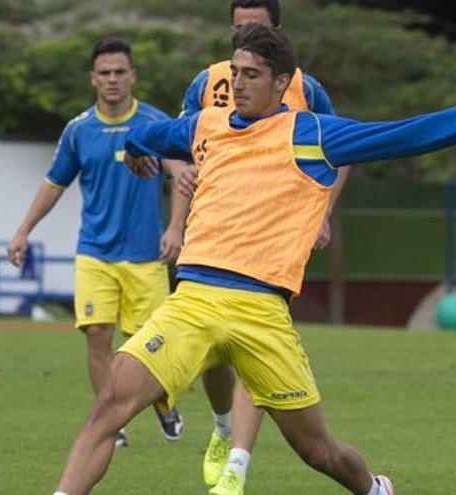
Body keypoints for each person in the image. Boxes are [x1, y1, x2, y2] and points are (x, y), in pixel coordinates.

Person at [49, 23, 456, 495]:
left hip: (262, 313)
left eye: (252, 75)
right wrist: (138, 152)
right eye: (235, 72)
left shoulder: (313, 134)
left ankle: (374, 490)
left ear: (282, 82)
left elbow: (407, 134)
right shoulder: (205, 125)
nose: (239, 83)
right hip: (194, 302)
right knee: (109, 407)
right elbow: (147, 134)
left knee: (319, 452)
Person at [180, 2, 350, 491]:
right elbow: (182, 141)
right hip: (215, 235)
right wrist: (180, 169)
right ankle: (221, 426)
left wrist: (321, 211)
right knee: (212, 358)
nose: (245, 34)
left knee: (255, 343)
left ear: (277, 32)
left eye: (255, 28)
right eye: (237, 28)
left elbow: (341, 152)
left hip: (274, 235)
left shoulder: (304, 88)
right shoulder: (206, 82)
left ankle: (237, 465)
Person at [7, 38, 191, 447]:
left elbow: (182, 173)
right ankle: (113, 420)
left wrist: (176, 226)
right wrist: (23, 231)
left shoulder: (153, 123)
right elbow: (54, 184)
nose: (112, 79)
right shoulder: (78, 130)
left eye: (119, 72)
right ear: (93, 79)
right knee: (95, 334)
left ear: (132, 76)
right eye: (104, 73)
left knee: (150, 344)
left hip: (145, 256)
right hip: (94, 253)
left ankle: (164, 404)